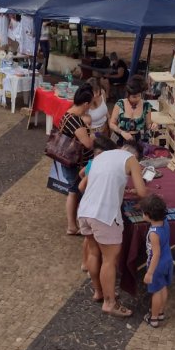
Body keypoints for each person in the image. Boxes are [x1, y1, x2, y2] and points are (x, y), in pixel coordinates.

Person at [78, 141, 148, 317]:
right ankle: (110, 303)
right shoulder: (131, 160)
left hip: (85, 210)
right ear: (135, 155)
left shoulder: (101, 156)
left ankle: (99, 292)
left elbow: (85, 185)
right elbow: (141, 192)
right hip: (104, 215)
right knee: (109, 259)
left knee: (94, 253)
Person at [78, 134, 118, 272]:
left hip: (86, 207)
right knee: (93, 245)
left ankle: (85, 263)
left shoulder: (91, 162)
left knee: (89, 241)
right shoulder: (98, 165)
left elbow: (81, 174)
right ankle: (88, 264)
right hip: (94, 208)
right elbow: (81, 185)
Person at [58, 84, 95, 236]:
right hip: (73, 163)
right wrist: (95, 136)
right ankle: (72, 226)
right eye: (91, 103)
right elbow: (87, 143)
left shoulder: (69, 114)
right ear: (86, 104)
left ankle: (74, 224)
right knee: (75, 191)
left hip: (70, 160)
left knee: (75, 191)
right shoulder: (75, 121)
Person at [142, 194, 172, 328]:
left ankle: (153, 318)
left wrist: (150, 273)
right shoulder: (165, 223)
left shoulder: (153, 233)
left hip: (157, 266)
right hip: (168, 260)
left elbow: (156, 254)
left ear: (148, 215)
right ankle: (160, 312)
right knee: (163, 287)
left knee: (156, 291)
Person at [109, 75, 156, 145]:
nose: (137, 99)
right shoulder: (120, 104)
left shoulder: (146, 106)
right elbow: (112, 124)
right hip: (120, 137)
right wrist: (122, 132)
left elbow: (148, 125)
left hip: (138, 139)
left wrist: (153, 125)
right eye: (134, 97)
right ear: (128, 95)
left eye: (139, 96)